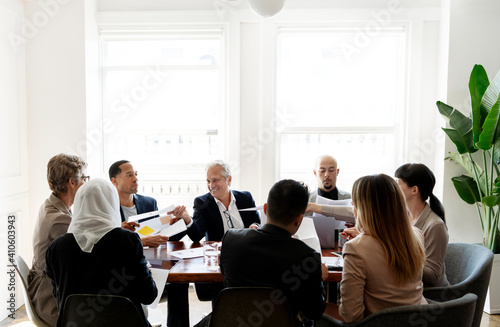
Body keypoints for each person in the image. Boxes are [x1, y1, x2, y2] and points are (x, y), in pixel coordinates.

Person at [196, 179, 327, 327]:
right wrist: (318, 279)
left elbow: (226, 278)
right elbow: (314, 312)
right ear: (299, 219)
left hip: (232, 321)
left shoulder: (231, 240)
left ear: (265, 209)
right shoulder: (307, 258)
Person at [45, 178, 157, 327]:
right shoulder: (127, 241)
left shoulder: (56, 247)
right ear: (111, 203)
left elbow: (59, 298)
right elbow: (148, 296)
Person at [109, 160, 190, 327]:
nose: (135, 179)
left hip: (154, 263)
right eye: (129, 175)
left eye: (136, 174)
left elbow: (160, 233)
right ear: (114, 181)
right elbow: (108, 244)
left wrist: (175, 223)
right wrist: (138, 239)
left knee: (180, 283)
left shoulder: (148, 203)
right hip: (125, 269)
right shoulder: (108, 208)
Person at [338, 174, 427, 323]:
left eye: (355, 204)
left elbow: (351, 315)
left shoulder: (356, 249)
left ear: (363, 208)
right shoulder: (417, 235)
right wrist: (363, 237)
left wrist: (362, 241)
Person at [28, 153, 88, 326]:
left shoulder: (51, 205)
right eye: (83, 178)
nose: (85, 183)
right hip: (50, 298)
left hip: (47, 285)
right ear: (72, 182)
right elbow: (90, 246)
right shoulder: (59, 219)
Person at [173, 160, 261, 242]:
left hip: (247, 249)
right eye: (208, 181)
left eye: (215, 180)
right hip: (220, 254)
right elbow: (197, 236)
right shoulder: (202, 202)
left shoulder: (246, 197)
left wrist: (255, 226)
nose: (211, 186)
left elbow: (257, 222)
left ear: (229, 180)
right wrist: (187, 218)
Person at [395, 163, 449, 287]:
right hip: (408, 286)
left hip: (431, 293)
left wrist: (398, 258)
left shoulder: (435, 226)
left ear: (414, 190)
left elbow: (432, 275)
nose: (394, 189)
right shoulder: (402, 217)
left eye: (398, 184)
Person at [305, 155, 352, 248]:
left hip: (343, 248)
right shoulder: (306, 200)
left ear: (337, 172)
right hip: (313, 248)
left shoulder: (350, 198)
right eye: (322, 171)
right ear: (315, 173)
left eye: (331, 170)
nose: (327, 174)